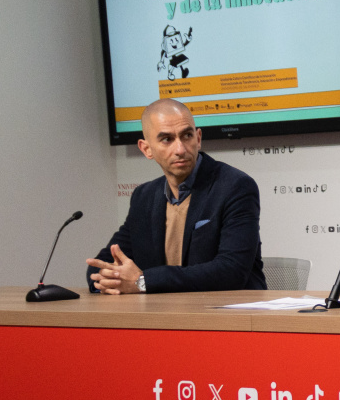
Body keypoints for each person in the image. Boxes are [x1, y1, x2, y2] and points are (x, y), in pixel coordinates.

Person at [88, 99, 266, 294]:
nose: (180, 149)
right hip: (163, 314)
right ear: (146, 149)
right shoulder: (144, 197)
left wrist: (143, 282)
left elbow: (231, 271)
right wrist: (110, 278)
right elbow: (103, 263)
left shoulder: (235, 186)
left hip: (229, 314)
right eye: (167, 139)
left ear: (198, 138)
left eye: (187, 135)